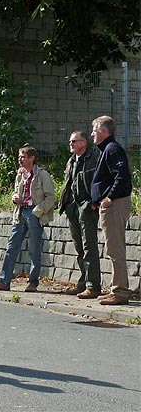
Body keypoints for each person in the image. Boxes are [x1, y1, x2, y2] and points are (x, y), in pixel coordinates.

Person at [0, 145, 55, 292]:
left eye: (23, 157)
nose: (20, 159)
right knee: (11, 247)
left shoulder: (42, 175)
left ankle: (32, 282)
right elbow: (16, 192)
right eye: (19, 156)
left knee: (34, 249)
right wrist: (14, 198)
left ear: (32, 158)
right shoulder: (19, 174)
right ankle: (4, 281)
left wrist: (37, 211)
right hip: (20, 213)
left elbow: (50, 198)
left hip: (34, 214)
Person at [90, 116, 133, 306]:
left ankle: (120, 292)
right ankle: (117, 289)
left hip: (115, 205)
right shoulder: (108, 149)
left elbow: (122, 177)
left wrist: (108, 198)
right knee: (113, 248)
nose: (92, 133)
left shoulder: (112, 149)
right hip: (112, 205)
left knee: (115, 249)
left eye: (94, 130)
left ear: (104, 131)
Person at [58, 131, 101, 299]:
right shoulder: (71, 161)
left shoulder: (93, 158)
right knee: (79, 248)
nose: (70, 144)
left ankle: (93, 286)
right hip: (72, 207)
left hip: (86, 206)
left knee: (89, 247)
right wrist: (66, 205)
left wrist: (93, 202)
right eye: (70, 141)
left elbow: (100, 180)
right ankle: (83, 283)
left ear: (83, 143)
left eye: (74, 141)